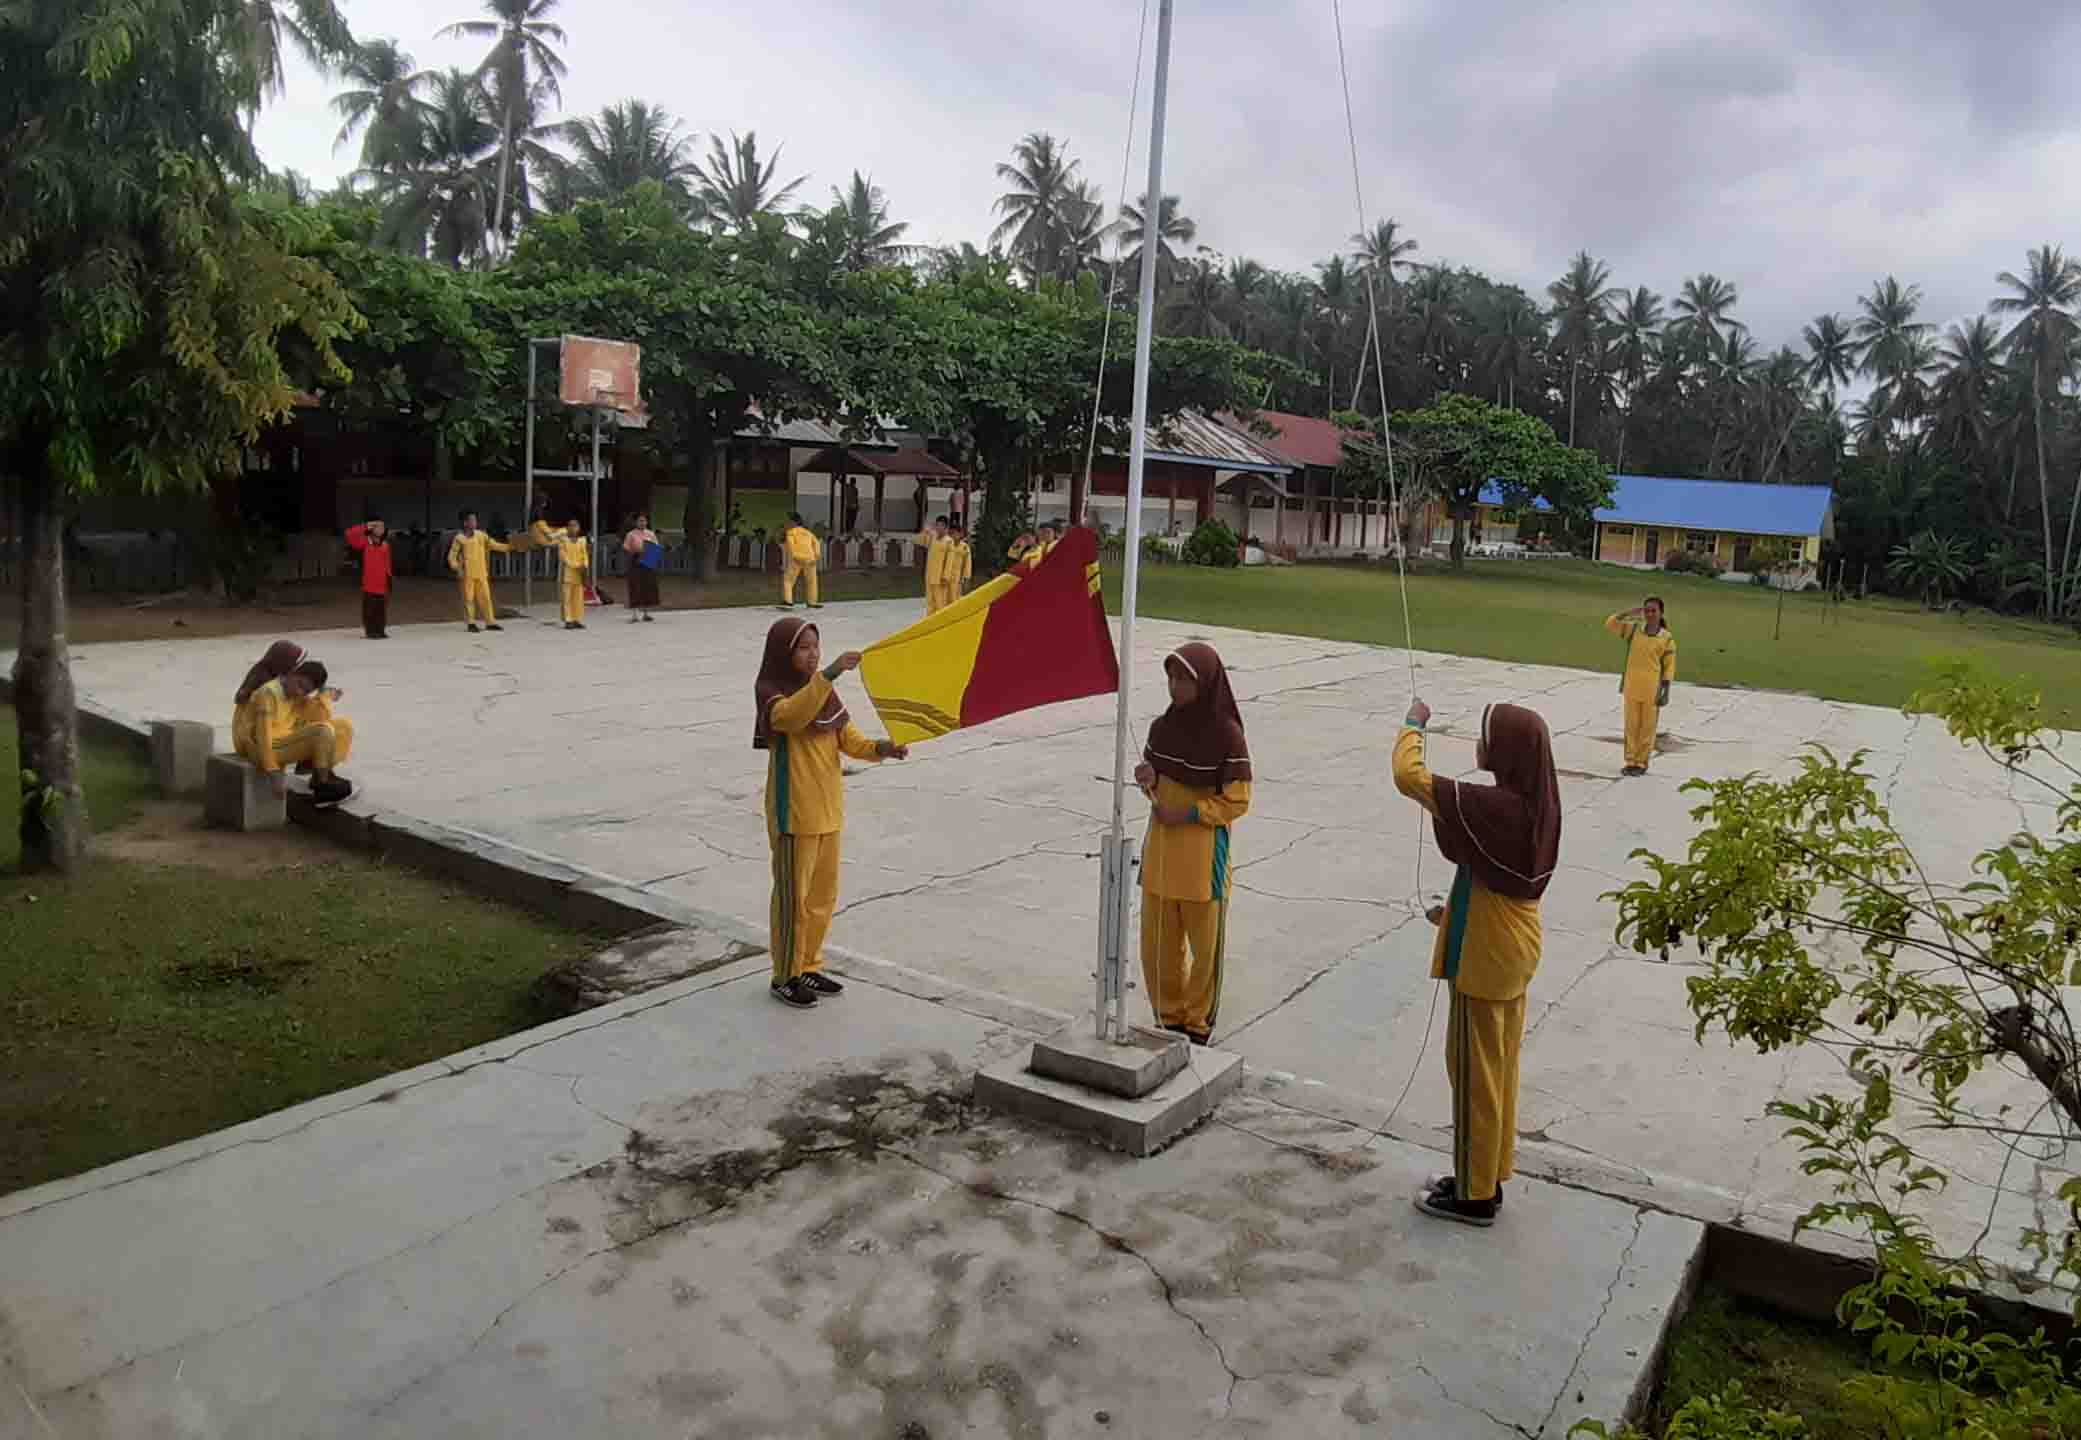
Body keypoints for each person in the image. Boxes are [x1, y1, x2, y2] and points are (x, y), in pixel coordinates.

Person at [1392, 697, 1561, 1227]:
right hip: (1508, 940)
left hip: (1488, 956)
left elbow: (1408, 776)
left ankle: (1473, 1198)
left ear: (1508, 750)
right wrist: (1454, 914)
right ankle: (1484, 1174)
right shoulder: (1534, 804)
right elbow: (1497, 880)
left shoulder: (1501, 807)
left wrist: (1413, 725)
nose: (1479, 745)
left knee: (1474, 1075)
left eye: (1486, 736)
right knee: (1496, 1069)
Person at [754, 617, 909, 1008]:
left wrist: (881, 749)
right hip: (794, 814)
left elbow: (848, 739)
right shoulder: (772, 691)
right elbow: (790, 717)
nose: (812, 654)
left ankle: (807, 964)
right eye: (803, 648)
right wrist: (830, 673)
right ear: (784, 653)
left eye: (815, 646)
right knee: (793, 900)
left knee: (821, 898)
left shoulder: (822, 693)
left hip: (827, 811)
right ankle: (784, 974)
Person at [1132, 643, 1252, 1046]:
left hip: (1203, 864)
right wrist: (1149, 780)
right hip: (1162, 857)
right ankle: (1169, 1019)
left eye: (1183, 679)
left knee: (1205, 952)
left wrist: (1188, 814)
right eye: (1170, 678)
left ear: (1205, 684)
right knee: (1158, 946)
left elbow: (1238, 800)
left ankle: (1198, 1025)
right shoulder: (1160, 729)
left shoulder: (1227, 736)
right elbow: (1159, 791)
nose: (1174, 687)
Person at [235, 659, 355, 804]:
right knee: (322, 731)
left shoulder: (296, 694)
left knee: (344, 727)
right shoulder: (268, 694)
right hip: (259, 748)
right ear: (292, 673)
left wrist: (323, 694)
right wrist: (273, 773)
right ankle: (323, 788)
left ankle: (319, 776)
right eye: (300, 685)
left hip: (284, 740)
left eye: (306, 691)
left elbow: (319, 716)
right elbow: (263, 736)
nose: (300, 692)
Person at [1605, 597, 1676, 776]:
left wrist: (1665, 690)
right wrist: (1629, 612)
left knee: (1647, 728)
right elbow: (1610, 623)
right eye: (1647, 610)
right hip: (1632, 686)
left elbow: (1669, 665)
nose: (1650, 614)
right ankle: (1630, 761)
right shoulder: (1634, 630)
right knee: (1631, 726)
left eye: (1653, 611)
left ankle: (1641, 763)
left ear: (1661, 613)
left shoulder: (1666, 638)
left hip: (1652, 690)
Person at [447, 511, 511, 633]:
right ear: (465, 523)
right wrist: (457, 568)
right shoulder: (459, 539)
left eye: (475, 520)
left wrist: (509, 547)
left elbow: (493, 545)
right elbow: (451, 557)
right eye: (472, 520)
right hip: (467, 575)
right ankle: (471, 623)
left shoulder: (481, 535)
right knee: (468, 599)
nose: (475, 522)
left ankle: (490, 622)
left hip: (481, 573)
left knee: (486, 598)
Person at [344, 517, 393, 639]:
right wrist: (366, 526)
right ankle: (371, 631)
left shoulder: (385, 545)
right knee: (369, 610)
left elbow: (387, 565)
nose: (382, 529)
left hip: (382, 584)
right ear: (372, 528)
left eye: (383, 526)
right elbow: (349, 534)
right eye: (378, 526)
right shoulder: (364, 543)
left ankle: (380, 630)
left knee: (381, 610)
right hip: (369, 584)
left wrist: (389, 580)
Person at [622, 511, 662, 623]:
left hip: (648, 561)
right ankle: (634, 614)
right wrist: (635, 552)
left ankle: (646, 613)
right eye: (640, 521)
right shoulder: (631, 534)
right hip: (635, 561)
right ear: (635, 522)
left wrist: (652, 556)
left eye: (644, 521)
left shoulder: (651, 534)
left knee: (647, 586)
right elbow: (626, 548)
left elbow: (656, 547)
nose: (642, 523)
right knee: (635, 586)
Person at [781, 512, 822, 609]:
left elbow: (791, 546)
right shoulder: (808, 533)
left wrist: (794, 556)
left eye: (788, 521)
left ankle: (788, 601)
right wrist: (816, 557)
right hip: (810, 559)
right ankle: (812, 602)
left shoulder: (790, 532)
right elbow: (816, 543)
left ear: (793, 522)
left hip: (796, 559)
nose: (787, 523)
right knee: (811, 581)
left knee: (788, 580)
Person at [555, 518, 590, 629]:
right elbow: (563, 557)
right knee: (567, 598)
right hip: (568, 574)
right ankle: (568, 619)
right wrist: (576, 565)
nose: (573, 528)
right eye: (571, 526)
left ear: (578, 528)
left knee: (578, 598)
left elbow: (585, 555)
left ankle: (576, 619)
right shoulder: (563, 541)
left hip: (579, 574)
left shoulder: (582, 541)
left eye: (575, 526)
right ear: (567, 528)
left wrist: (584, 565)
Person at [922, 517, 953, 615]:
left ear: (946, 527)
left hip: (940, 578)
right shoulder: (932, 538)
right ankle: (929, 623)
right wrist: (925, 531)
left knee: (940, 603)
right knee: (930, 602)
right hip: (930, 575)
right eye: (937, 525)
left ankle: (941, 624)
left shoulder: (949, 541)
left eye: (941, 526)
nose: (938, 528)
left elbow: (949, 561)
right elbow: (923, 542)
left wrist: (945, 576)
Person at [948, 522, 973, 602]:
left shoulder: (965, 547)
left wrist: (966, 578)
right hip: (945, 576)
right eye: (950, 533)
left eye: (954, 533)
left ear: (960, 534)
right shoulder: (947, 545)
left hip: (957, 578)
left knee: (955, 598)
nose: (952, 536)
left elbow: (967, 564)